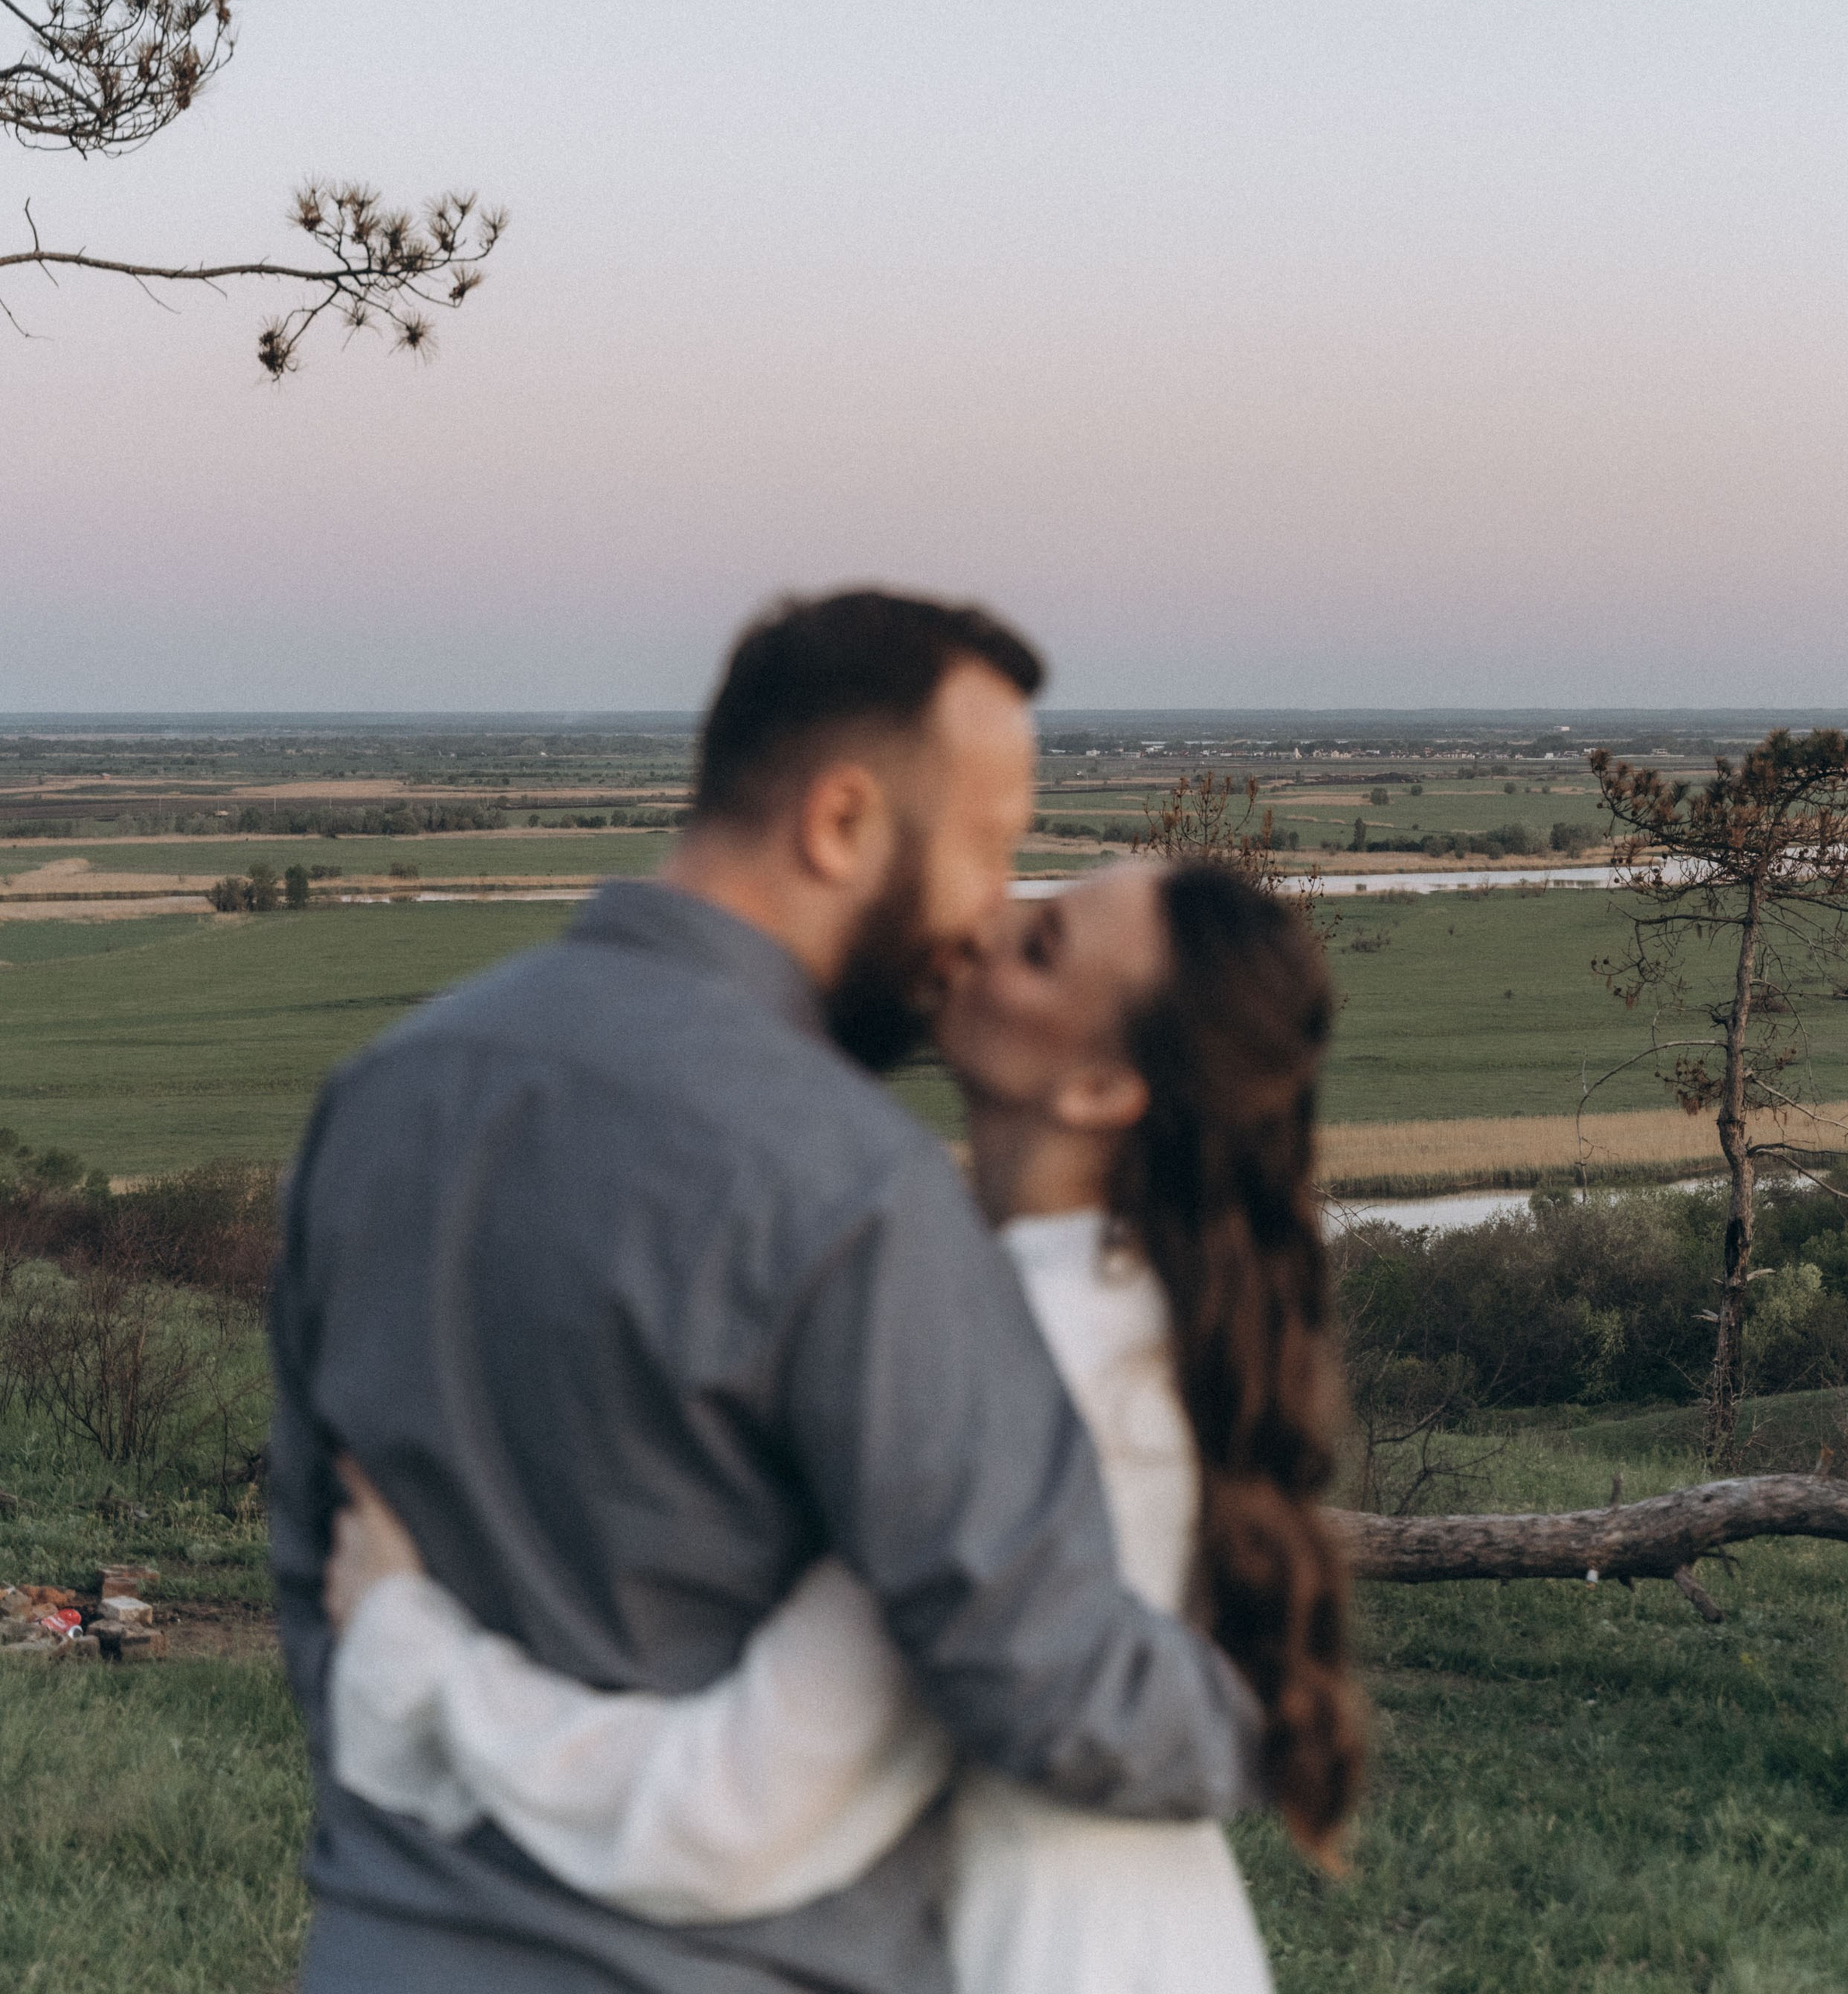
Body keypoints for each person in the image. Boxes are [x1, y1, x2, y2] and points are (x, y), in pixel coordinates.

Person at [270, 591, 1268, 1994]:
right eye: (988, 847)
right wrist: (1261, 1719)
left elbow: (311, 1565)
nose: (985, 917)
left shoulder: (377, 1098)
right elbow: (1023, 1658)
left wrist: (414, 1776)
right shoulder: (859, 1189)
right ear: (843, 823)